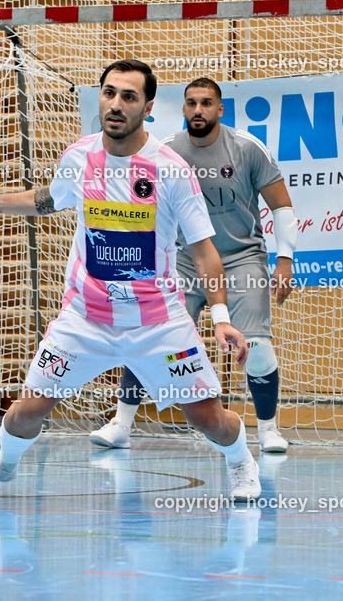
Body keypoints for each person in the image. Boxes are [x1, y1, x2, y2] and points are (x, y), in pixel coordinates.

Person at [0, 60, 261, 501]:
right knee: (27, 410)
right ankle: (3, 464)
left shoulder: (172, 170)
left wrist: (221, 317)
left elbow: (203, 251)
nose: (116, 104)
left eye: (129, 97)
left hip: (157, 322)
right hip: (85, 318)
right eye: (109, 93)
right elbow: (48, 199)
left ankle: (241, 462)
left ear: (148, 108)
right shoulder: (80, 156)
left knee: (208, 418)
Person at [90, 77, 299, 453]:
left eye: (206, 103)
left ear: (220, 109)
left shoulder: (247, 148)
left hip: (242, 259)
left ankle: (268, 429)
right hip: (185, 261)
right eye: (191, 103)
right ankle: (120, 423)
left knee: (257, 346)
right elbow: (140, 206)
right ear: (183, 108)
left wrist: (285, 260)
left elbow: (281, 206)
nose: (198, 110)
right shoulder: (167, 152)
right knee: (147, 336)